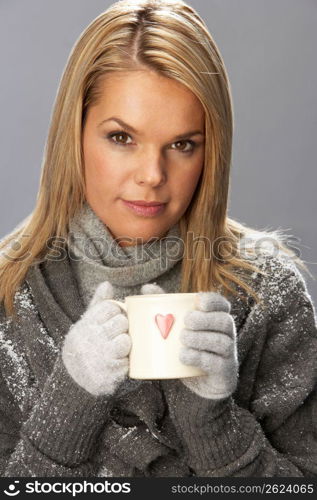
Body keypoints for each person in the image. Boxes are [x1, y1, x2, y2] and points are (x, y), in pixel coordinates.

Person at [0, 0, 316, 478]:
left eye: (183, 144)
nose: (152, 175)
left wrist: (214, 421)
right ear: (75, 133)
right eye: (122, 138)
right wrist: (70, 399)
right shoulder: (10, 294)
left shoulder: (267, 291)